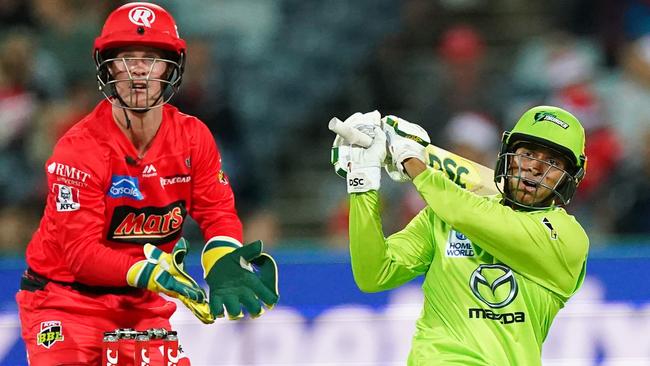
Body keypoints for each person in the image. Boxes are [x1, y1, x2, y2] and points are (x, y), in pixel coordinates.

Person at [16, 3, 278, 365]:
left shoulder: (194, 138)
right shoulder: (79, 149)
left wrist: (223, 258)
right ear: (107, 69)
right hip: (64, 300)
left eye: (151, 59)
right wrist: (151, 271)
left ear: (171, 69)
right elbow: (79, 255)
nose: (138, 70)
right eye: (126, 59)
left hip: (141, 302)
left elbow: (217, 210)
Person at [331, 106, 588, 365]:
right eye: (528, 154)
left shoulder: (567, 239)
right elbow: (375, 274)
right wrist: (362, 185)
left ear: (568, 178)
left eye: (552, 163)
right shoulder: (442, 214)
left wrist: (413, 162)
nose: (535, 168)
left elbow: (478, 218)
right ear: (508, 157)